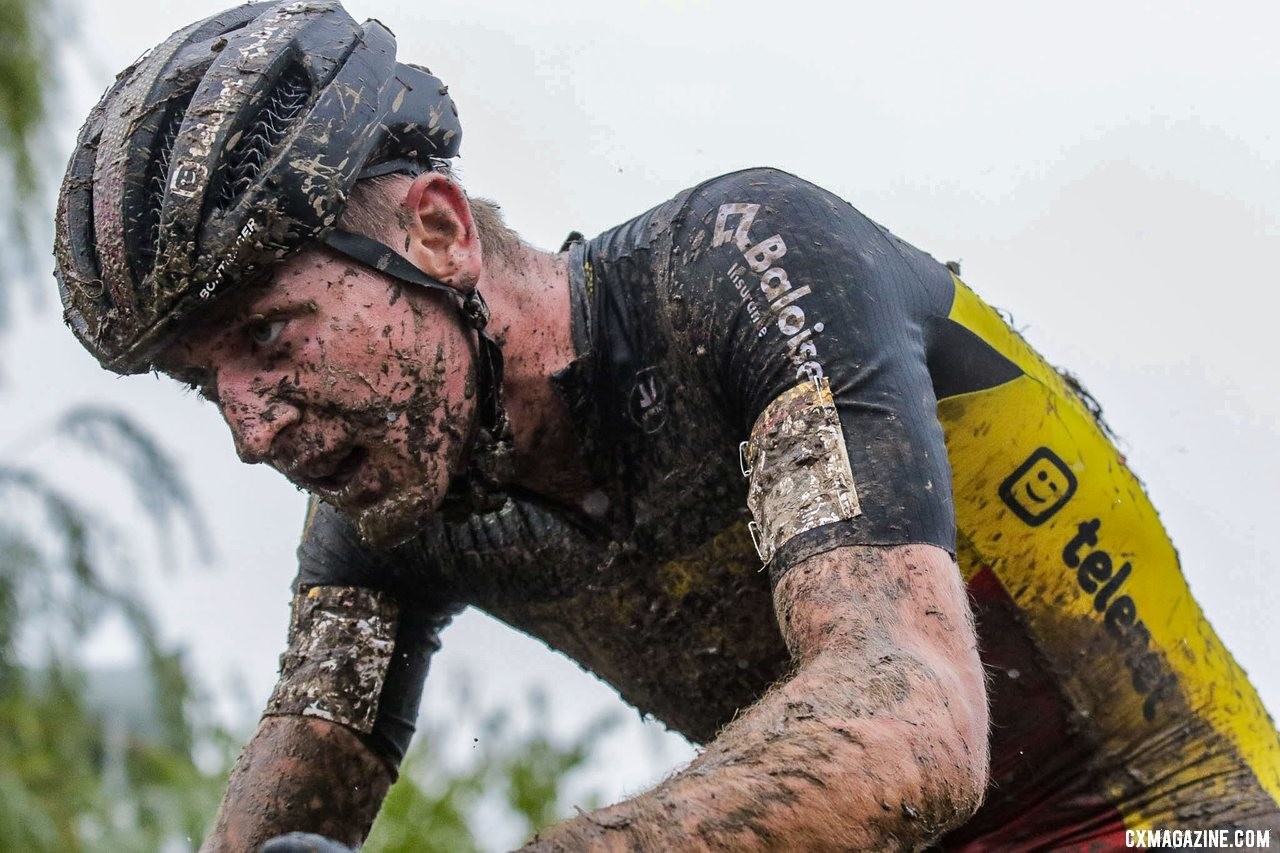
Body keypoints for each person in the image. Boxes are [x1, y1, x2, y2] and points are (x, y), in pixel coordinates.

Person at [54, 2, 1280, 850]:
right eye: (202, 382)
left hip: (1174, 815)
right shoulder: (393, 500)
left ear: (434, 233)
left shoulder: (741, 265)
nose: (251, 431)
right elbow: (285, 809)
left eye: (269, 337)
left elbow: (910, 719)